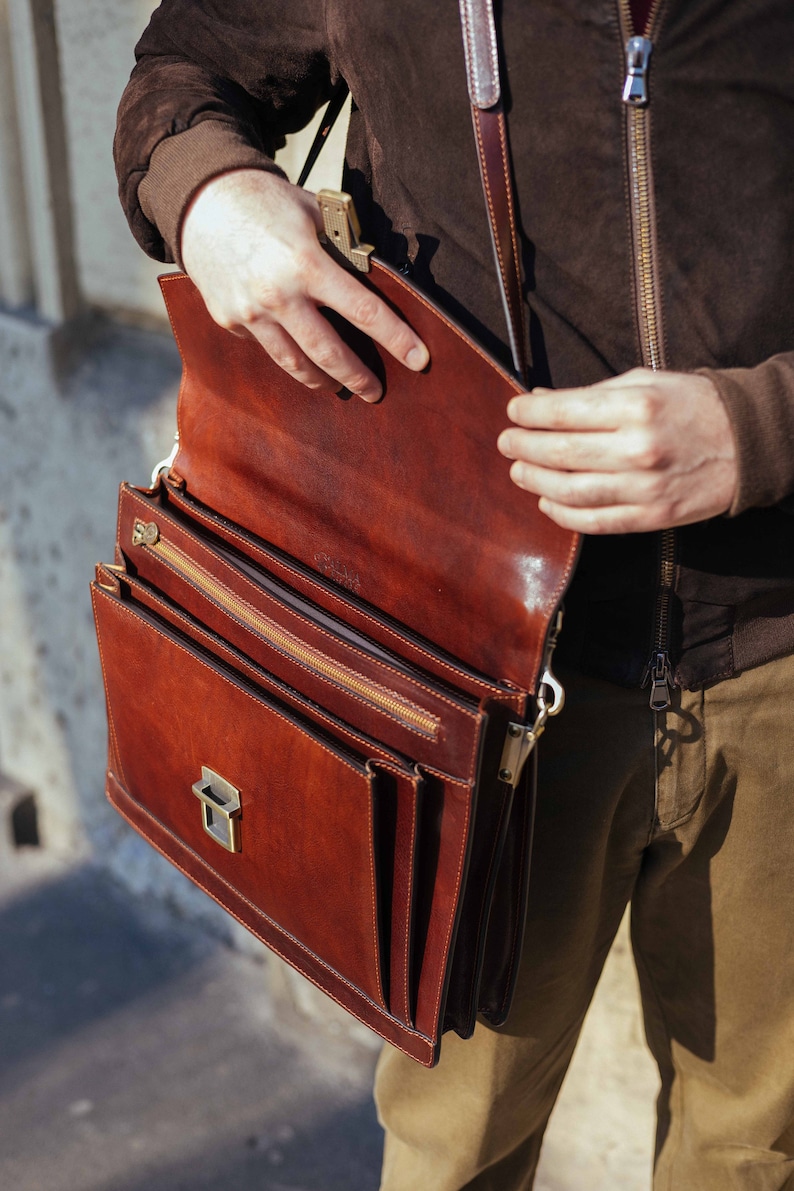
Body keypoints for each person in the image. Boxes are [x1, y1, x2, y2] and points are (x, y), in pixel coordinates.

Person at [114, 1, 794, 1187]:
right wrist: (213, 198)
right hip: (466, 685)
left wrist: (764, 428)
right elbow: (183, 71)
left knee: (754, 1153)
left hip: (779, 663)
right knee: (454, 1151)